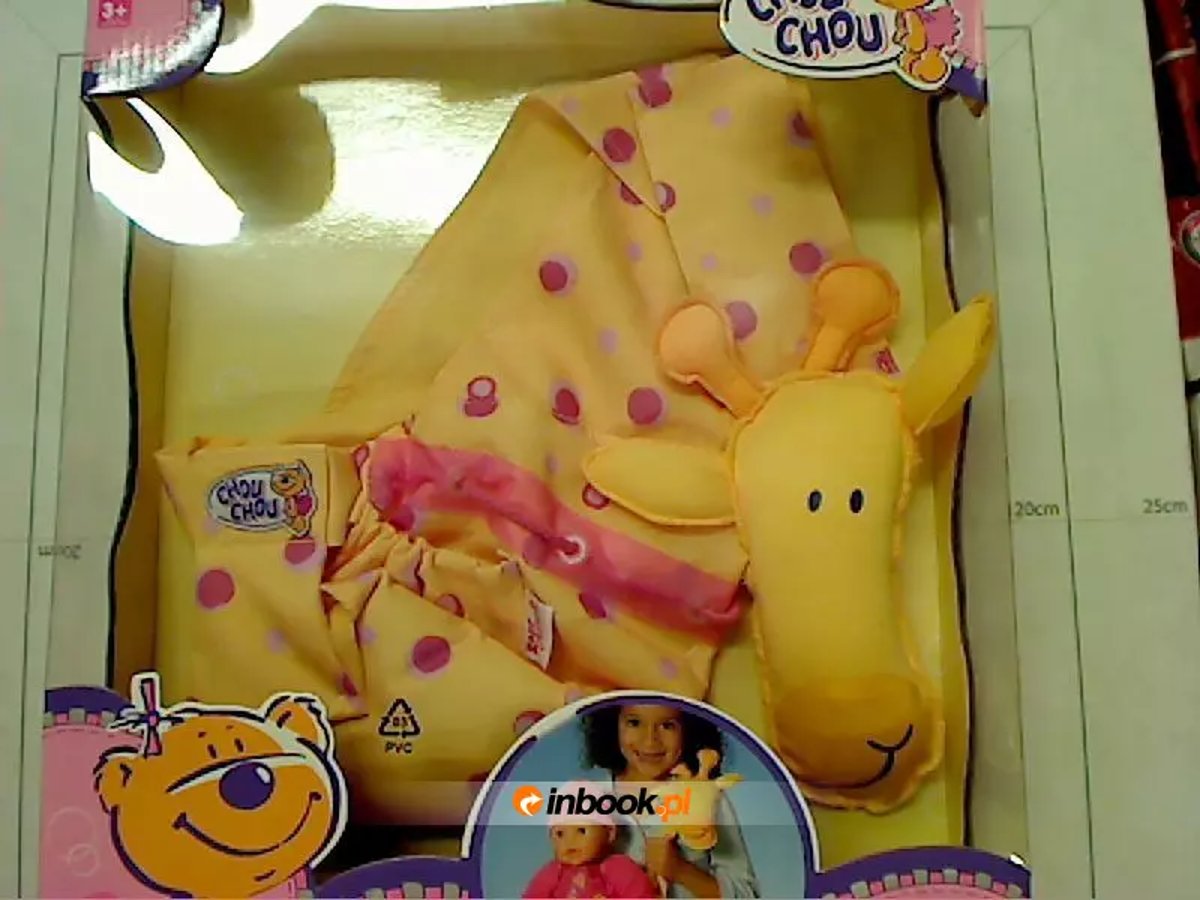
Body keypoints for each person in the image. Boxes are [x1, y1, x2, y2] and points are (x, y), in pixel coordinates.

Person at [579, 703, 759, 898]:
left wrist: (681, 871)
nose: (650, 741)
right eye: (634, 723)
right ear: (613, 723)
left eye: (667, 725)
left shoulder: (706, 797)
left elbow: (746, 894)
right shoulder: (590, 799)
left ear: (688, 728)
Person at [522, 780, 660, 899]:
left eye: (581, 831)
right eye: (560, 834)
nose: (570, 841)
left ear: (609, 833)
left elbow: (640, 895)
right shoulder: (551, 873)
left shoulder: (618, 867)